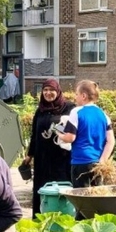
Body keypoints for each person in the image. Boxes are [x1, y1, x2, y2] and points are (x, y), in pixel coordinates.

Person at [22, 79, 75, 215]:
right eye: (45, 90)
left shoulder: (69, 108)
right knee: (42, 189)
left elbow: (74, 131)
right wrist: (29, 155)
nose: (48, 93)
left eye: (51, 90)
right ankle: (40, 221)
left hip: (62, 158)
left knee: (61, 189)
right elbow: (34, 135)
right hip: (42, 159)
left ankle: (63, 221)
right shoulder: (40, 111)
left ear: (57, 91)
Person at [59, 79, 115, 189]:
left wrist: (59, 135)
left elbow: (70, 137)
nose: (75, 97)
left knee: (82, 201)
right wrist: (103, 161)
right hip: (98, 165)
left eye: (77, 94)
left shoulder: (76, 111)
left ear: (83, 96)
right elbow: (111, 141)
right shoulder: (103, 114)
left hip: (81, 163)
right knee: (97, 198)